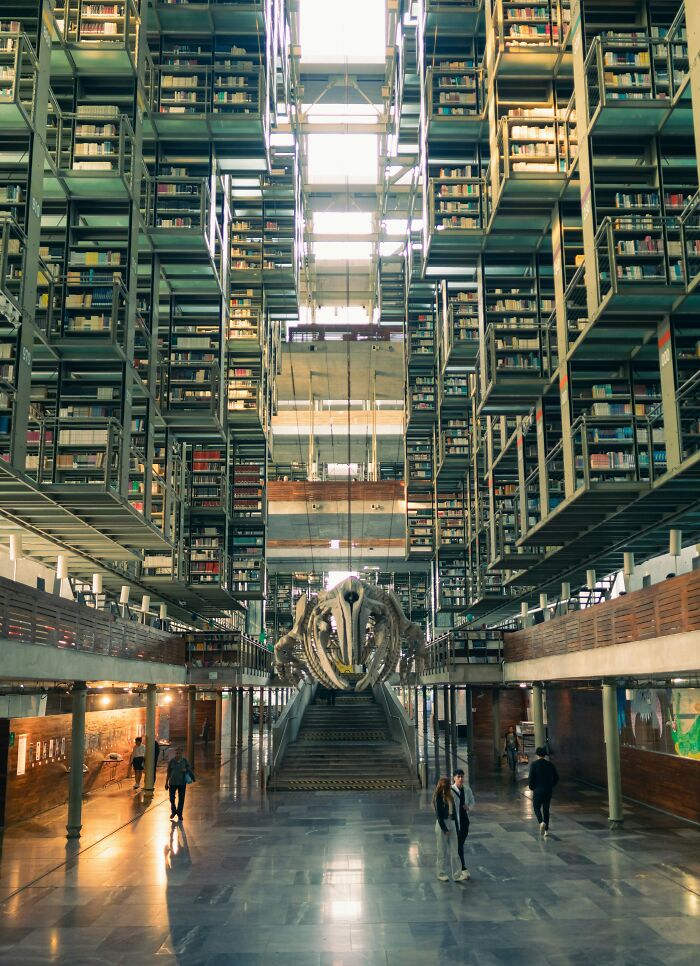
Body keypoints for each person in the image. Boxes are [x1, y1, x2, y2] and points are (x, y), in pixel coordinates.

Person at [433, 777, 460, 882]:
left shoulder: (451, 796)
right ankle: (441, 873)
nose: (446, 787)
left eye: (447, 785)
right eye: (444, 785)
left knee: (454, 850)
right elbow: (439, 815)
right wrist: (444, 829)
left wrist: (456, 827)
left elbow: (454, 812)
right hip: (442, 824)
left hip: (451, 822)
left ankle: (457, 874)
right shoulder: (438, 797)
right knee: (441, 851)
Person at [528, 746, 559, 837]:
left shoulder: (534, 764)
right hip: (548, 790)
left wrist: (531, 787)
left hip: (537, 790)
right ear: (545, 755)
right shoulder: (550, 764)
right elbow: (556, 777)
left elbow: (531, 778)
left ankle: (541, 822)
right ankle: (546, 831)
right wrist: (551, 785)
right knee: (546, 809)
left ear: (537, 754)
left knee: (536, 807)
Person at [451, 769, 474, 880]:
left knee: (460, 844)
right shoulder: (450, 790)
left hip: (464, 821)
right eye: (458, 776)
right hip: (455, 822)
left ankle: (461, 868)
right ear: (454, 778)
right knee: (459, 845)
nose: (461, 779)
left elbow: (472, 801)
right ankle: (462, 868)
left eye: (462, 777)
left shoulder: (467, 790)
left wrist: (468, 807)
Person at [165, 747, 195, 821]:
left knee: (181, 799)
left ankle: (179, 814)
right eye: (177, 753)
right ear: (175, 753)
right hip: (172, 783)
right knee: (171, 798)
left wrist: (187, 771)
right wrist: (166, 782)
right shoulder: (171, 761)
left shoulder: (184, 761)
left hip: (181, 783)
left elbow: (189, 769)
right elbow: (168, 772)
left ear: (182, 753)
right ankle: (174, 811)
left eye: (179, 753)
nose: (178, 754)